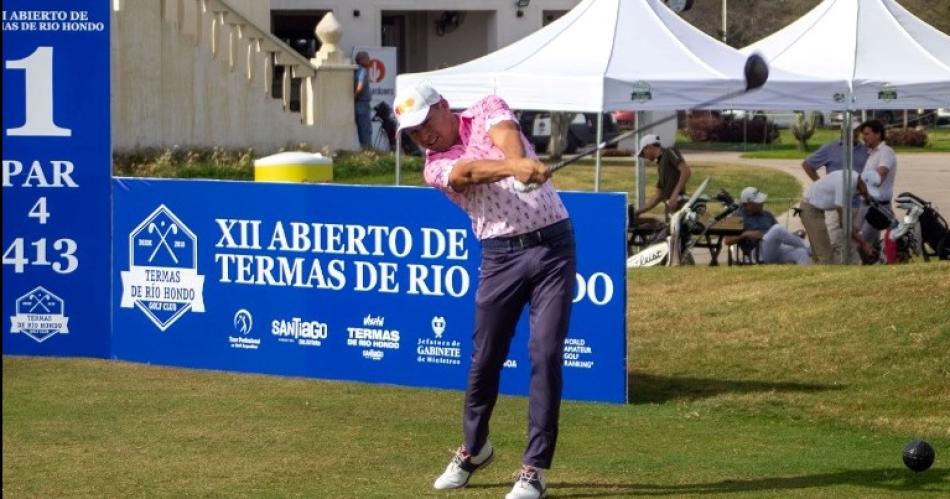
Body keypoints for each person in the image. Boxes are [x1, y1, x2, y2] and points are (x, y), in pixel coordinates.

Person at [394, 81, 574, 499]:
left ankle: (534, 470)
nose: (424, 136)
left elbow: (507, 133)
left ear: (442, 106)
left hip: (553, 247)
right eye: (414, 132)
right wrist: (516, 169)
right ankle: (475, 450)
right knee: (485, 359)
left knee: (545, 354)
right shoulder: (434, 166)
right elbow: (467, 173)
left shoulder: (487, 106)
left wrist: (519, 161)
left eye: (425, 123)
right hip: (500, 257)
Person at [801, 122, 869, 264]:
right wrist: (820, 184)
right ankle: (834, 271)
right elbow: (807, 165)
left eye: (857, 130)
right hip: (835, 203)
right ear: (842, 131)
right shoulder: (830, 148)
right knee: (834, 242)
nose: (854, 133)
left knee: (852, 244)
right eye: (851, 130)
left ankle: (850, 272)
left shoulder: (865, 150)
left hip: (857, 203)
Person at [798, 169, 875, 264]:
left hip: (814, 209)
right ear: (864, 182)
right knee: (826, 256)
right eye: (864, 191)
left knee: (818, 254)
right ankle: (825, 278)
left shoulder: (854, 177)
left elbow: (844, 221)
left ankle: (815, 276)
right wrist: (863, 244)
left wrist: (867, 196)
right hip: (810, 211)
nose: (860, 194)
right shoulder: (845, 184)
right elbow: (844, 223)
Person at [723, 187, 811, 265]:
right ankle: (811, 249)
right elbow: (727, 241)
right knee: (777, 229)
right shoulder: (736, 216)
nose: (762, 203)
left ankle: (806, 278)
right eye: (758, 202)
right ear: (747, 204)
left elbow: (779, 236)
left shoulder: (766, 214)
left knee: (801, 253)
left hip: (775, 249)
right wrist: (746, 234)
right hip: (756, 253)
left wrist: (793, 235)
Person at [631, 134, 691, 219]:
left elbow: (685, 171)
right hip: (670, 207)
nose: (644, 156)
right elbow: (658, 196)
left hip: (678, 203)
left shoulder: (669, 151)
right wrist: (638, 212)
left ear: (648, 147)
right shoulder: (660, 164)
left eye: (643, 152)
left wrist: (675, 194)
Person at [858, 119, 897, 246]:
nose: (864, 137)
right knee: (863, 241)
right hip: (867, 203)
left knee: (864, 243)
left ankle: (866, 264)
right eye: (863, 134)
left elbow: (879, 177)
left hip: (878, 206)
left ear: (878, 134)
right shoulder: (872, 153)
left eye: (867, 134)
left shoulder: (886, 152)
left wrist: (860, 183)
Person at [353, 51, 373, 149]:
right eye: (367, 58)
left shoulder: (355, 70)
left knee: (360, 130)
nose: (369, 60)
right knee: (365, 130)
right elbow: (360, 87)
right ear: (362, 60)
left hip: (357, 104)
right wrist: (354, 96)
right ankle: (368, 151)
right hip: (362, 104)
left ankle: (364, 149)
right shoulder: (363, 71)